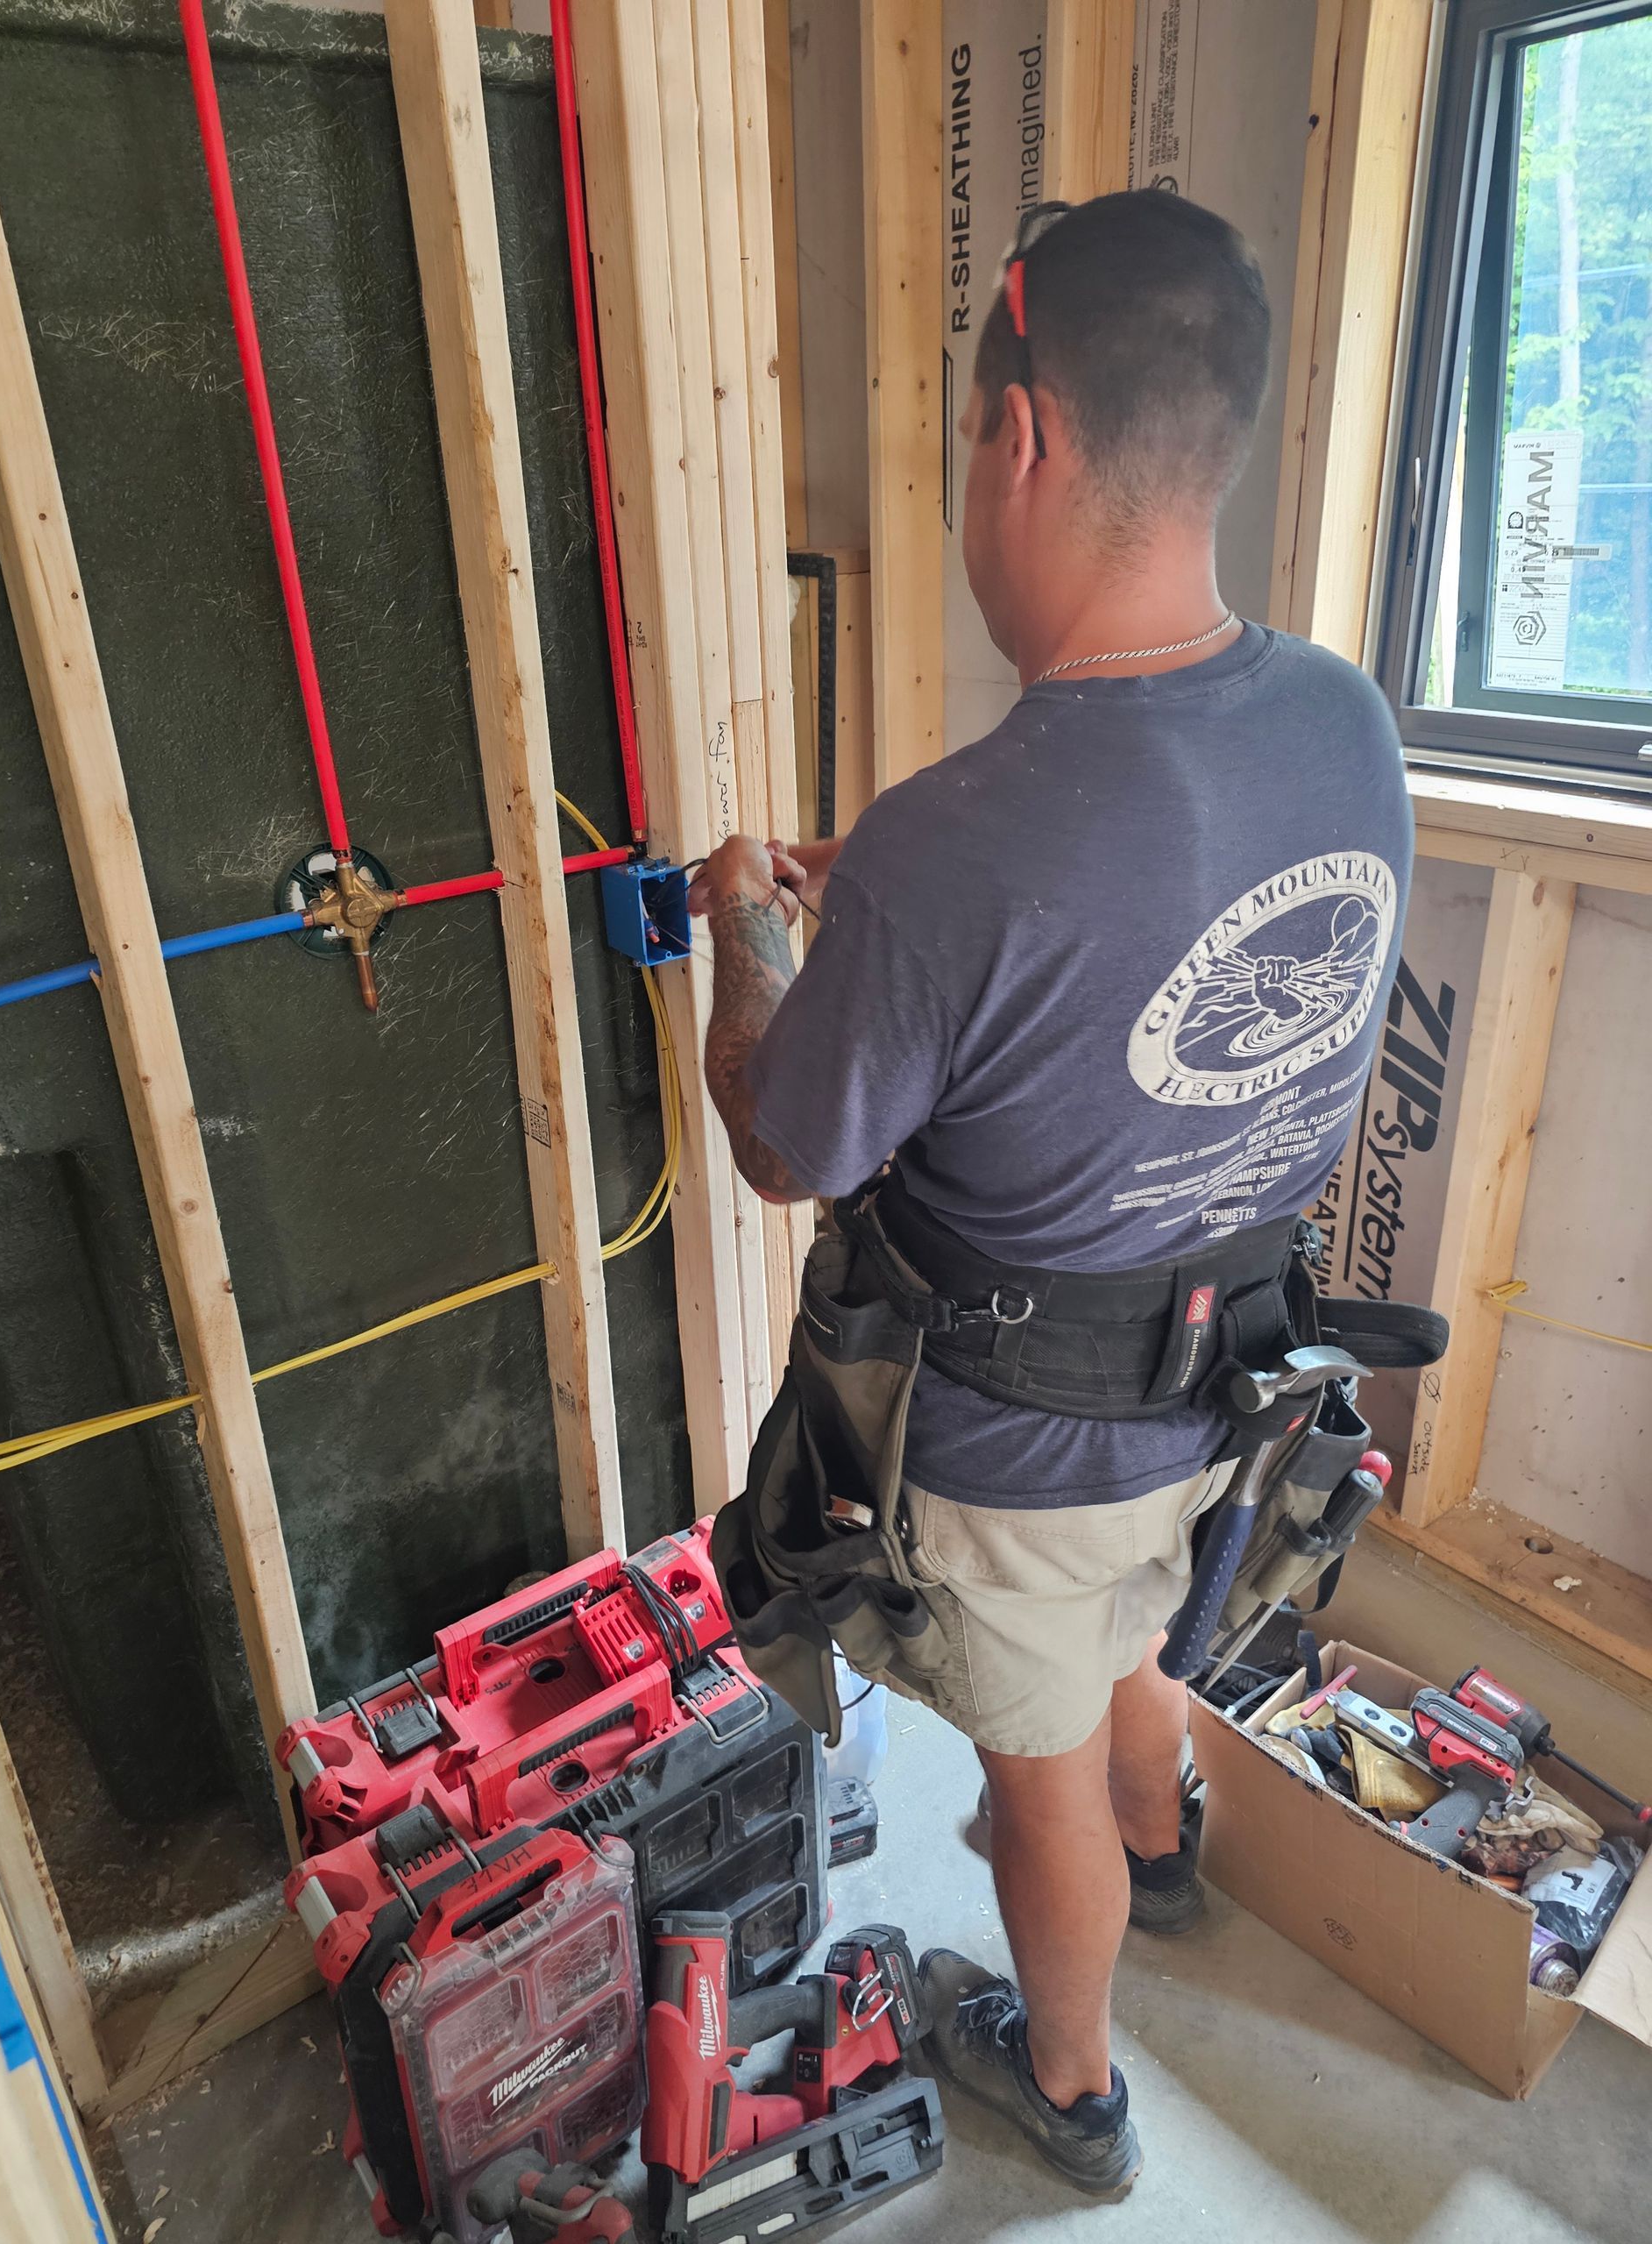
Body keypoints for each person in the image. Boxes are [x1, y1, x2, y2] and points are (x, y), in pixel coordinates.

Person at [687, 191, 1411, 2197]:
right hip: (1237, 1377)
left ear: (1022, 434)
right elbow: (1148, 973)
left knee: (1036, 1778)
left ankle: (1075, 2081)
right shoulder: (1346, 723)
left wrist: (747, 948)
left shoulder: (953, 843)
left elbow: (787, 1143)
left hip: (1019, 1438)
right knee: (1146, 1634)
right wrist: (911, 935)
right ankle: (1167, 1846)